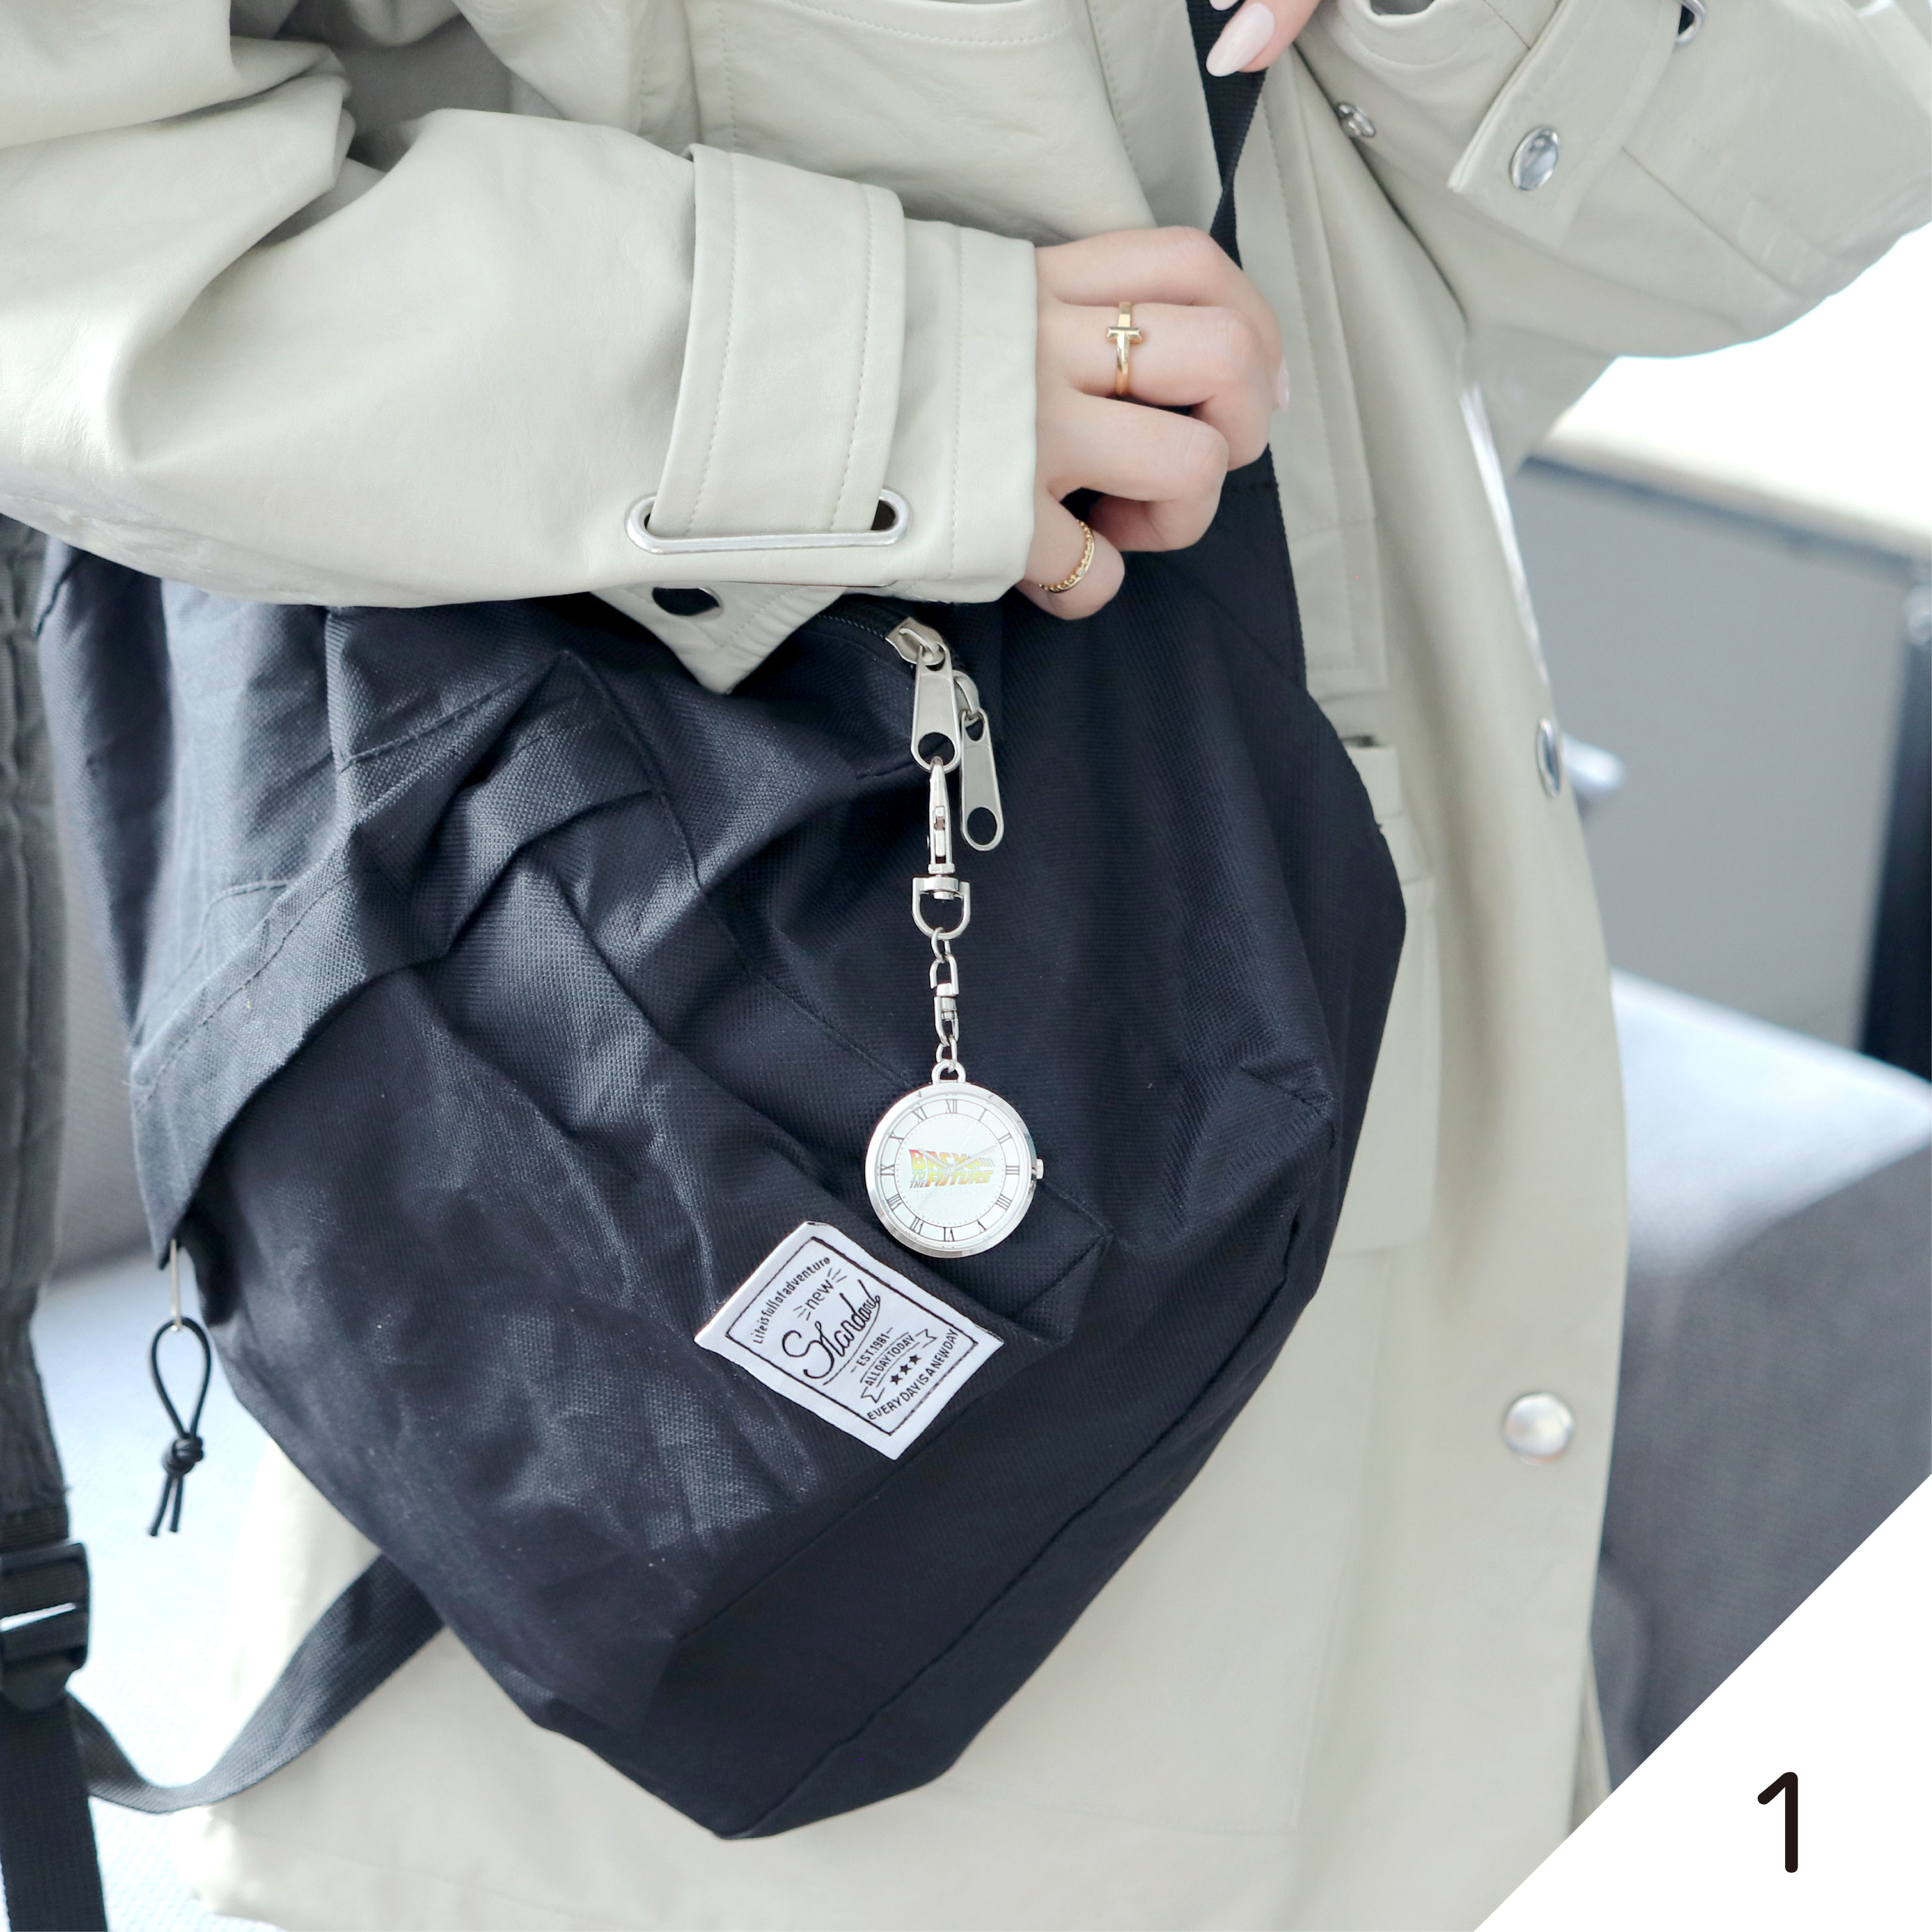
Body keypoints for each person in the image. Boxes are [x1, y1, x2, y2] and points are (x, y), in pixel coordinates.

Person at [1, 1, 1925, 1925]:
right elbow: (55, 216)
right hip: (655, 1099)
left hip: (1324, 1091)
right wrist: (894, 377)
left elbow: (1758, 198)